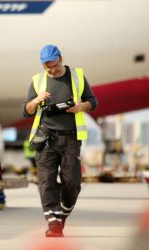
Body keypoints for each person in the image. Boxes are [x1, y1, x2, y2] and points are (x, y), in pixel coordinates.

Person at [22, 45, 98, 237]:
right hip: (45, 139)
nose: (52, 70)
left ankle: (62, 215)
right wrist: (37, 100)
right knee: (46, 182)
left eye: (54, 65)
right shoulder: (38, 81)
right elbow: (26, 110)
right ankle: (53, 222)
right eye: (47, 67)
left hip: (71, 139)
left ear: (61, 59)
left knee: (72, 182)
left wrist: (81, 107)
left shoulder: (77, 76)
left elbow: (93, 102)